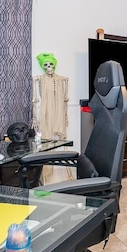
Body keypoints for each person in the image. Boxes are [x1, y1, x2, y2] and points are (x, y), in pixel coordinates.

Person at [32, 53, 74, 184]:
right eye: (46, 65)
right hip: (45, 117)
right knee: (44, 145)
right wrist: (35, 118)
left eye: (51, 64)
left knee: (63, 142)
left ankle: (69, 176)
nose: (49, 67)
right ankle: (44, 178)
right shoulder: (39, 79)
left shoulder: (62, 80)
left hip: (59, 116)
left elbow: (65, 100)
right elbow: (35, 100)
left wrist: (65, 115)